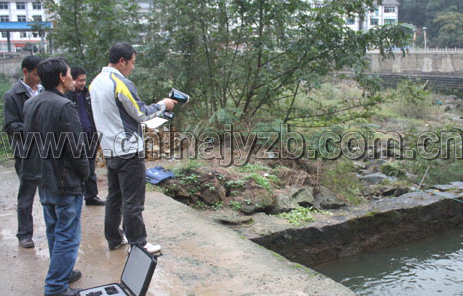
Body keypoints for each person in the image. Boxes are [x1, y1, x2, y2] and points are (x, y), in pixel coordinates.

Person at [89, 42, 176, 253]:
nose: (132, 67)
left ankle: (114, 238)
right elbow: (141, 113)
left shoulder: (95, 83)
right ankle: (138, 242)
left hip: (110, 149)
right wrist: (164, 104)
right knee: (133, 201)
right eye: (132, 63)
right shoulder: (119, 83)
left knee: (115, 197)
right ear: (122, 61)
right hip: (128, 150)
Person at [22, 57, 89, 296]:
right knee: (68, 235)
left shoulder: (31, 103)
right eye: (70, 74)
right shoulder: (64, 106)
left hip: (43, 178)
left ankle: (64, 271)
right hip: (64, 180)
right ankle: (56, 286)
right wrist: (85, 173)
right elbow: (76, 148)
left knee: (54, 229)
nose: (72, 78)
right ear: (62, 77)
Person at [3, 55, 42, 248]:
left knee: (50, 193)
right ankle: (24, 234)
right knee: (26, 195)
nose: (39, 78)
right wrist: (33, 130)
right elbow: (10, 126)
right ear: (25, 72)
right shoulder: (13, 95)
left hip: (50, 151)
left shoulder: (44, 91)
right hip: (27, 153)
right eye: (36, 74)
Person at [66, 66, 105, 206]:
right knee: (77, 167)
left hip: (91, 135)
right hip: (76, 138)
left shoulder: (88, 94)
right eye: (79, 80)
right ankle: (76, 196)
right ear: (72, 80)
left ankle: (91, 196)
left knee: (90, 167)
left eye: (84, 80)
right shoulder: (66, 96)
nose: (82, 83)